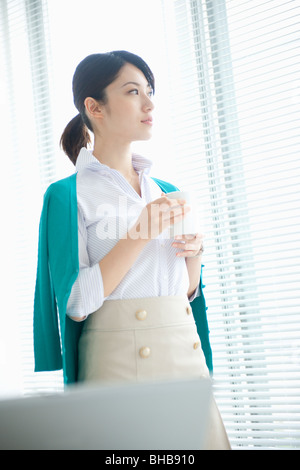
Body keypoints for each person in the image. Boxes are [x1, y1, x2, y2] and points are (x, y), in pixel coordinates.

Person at [33, 51, 230, 449]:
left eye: (150, 91)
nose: (149, 103)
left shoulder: (167, 192)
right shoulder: (67, 195)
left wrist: (195, 254)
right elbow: (76, 303)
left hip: (185, 358)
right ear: (94, 107)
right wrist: (140, 233)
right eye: (133, 91)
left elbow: (186, 292)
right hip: (119, 364)